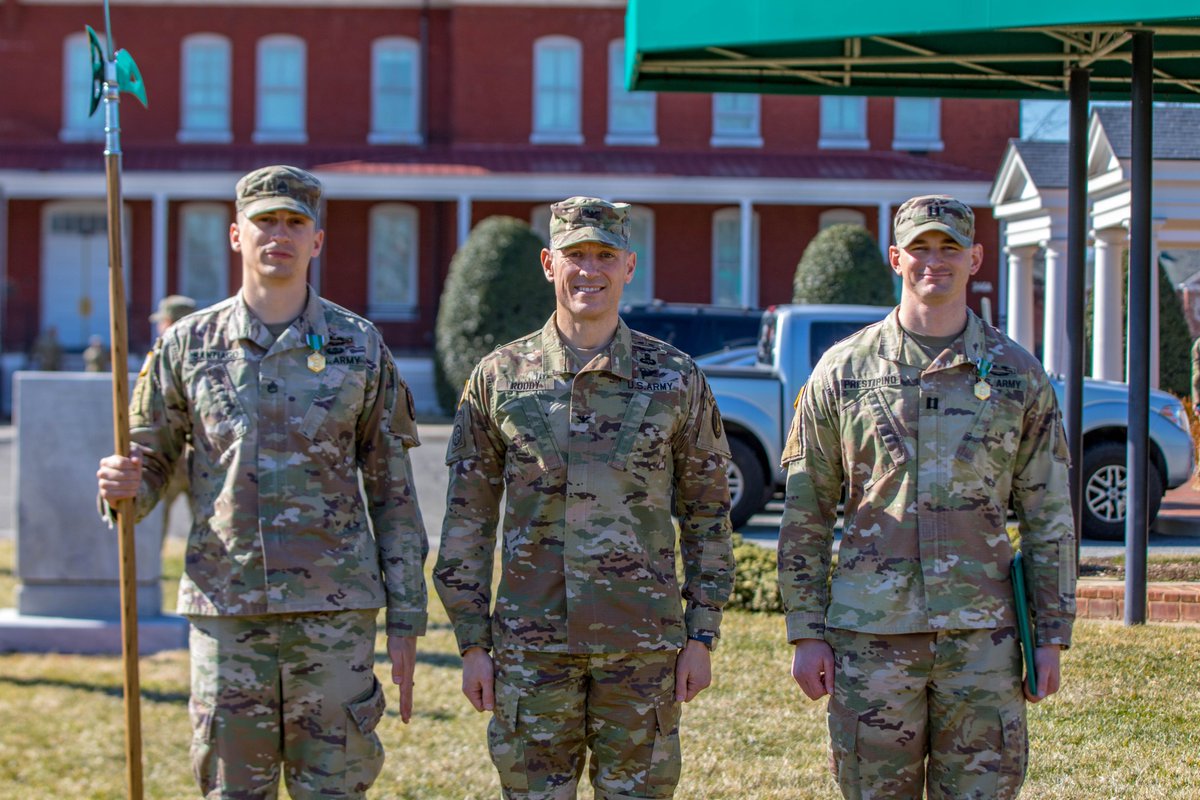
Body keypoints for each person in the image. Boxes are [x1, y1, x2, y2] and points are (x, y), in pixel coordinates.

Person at [96, 165, 428, 800]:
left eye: (295, 222)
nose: (279, 234)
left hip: (334, 619)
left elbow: (393, 490)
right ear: (235, 235)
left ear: (317, 240)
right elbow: (150, 464)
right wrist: (122, 487)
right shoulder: (186, 347)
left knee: (333, 790)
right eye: (265, 221)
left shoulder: (360, 346)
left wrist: (407, 617)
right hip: (229, 610)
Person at [434, 196, 734, 800]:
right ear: (549, 263)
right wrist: (472, 643)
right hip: (531, 648)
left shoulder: (675, 378)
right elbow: (467, 521)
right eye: (575, 255)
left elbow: (708, 515)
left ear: (629, 266)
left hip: (643, 648)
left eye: (605, 255)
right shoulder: (499, 377)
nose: (589, 270)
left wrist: (701, 636)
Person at [779, 195, 1076, 799]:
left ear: (976, 258)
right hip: (872, 640)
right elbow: (806, 512)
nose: (933, 261)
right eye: (920, 248)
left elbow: (1049, 514)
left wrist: (1051, 635)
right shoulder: (841, 372)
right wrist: (805, 630)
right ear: (896, 257)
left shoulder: (1018, 374)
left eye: (948, 248)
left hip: (984, 641)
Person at [147, 294, 198, 540]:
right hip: (202, 460)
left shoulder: (166, 354)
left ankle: (151, 575)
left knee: (155, 525)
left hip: (172, 458)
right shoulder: (209, 353)